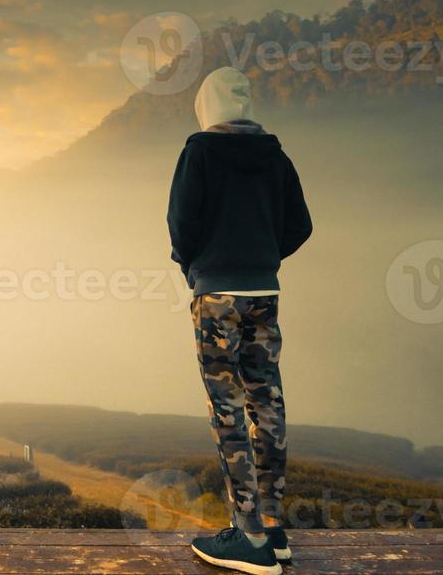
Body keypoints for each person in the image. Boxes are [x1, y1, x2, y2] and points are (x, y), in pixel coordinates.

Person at [167, 67, 313, 575]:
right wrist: (263, 258)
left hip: (217, 297)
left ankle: (247, 539)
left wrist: (196, 266)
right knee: (267, 401)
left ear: (206, 106)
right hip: (264, 293)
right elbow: (301, 225)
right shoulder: (277, 156)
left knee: (226, 407)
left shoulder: (199, 152)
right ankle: (273, 529)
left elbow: (182, 223)